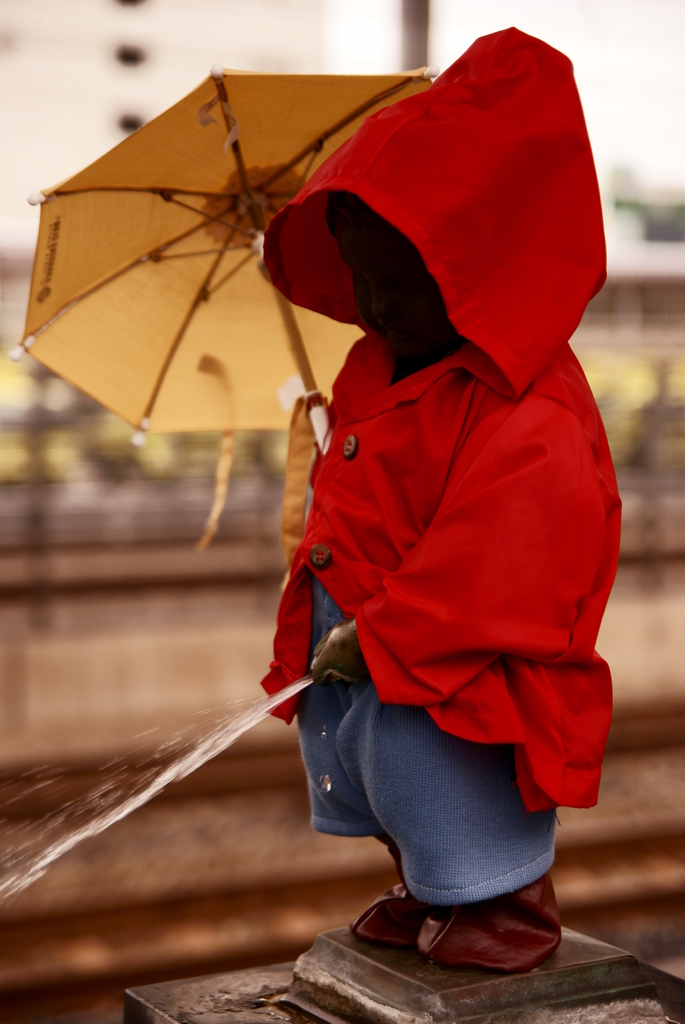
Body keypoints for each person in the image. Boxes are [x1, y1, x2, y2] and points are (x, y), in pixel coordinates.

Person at [260, 27, 621, 972]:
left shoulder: (528, 409)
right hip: (372, 623)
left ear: (478, 265)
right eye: (362, 280)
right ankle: (430, 886)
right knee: (380, 766)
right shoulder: (373, 364)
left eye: (400, 285)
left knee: (449, 765)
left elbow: (497, 559)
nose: (377, 309)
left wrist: (381, 633)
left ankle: (501, 901)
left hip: (451, 647)